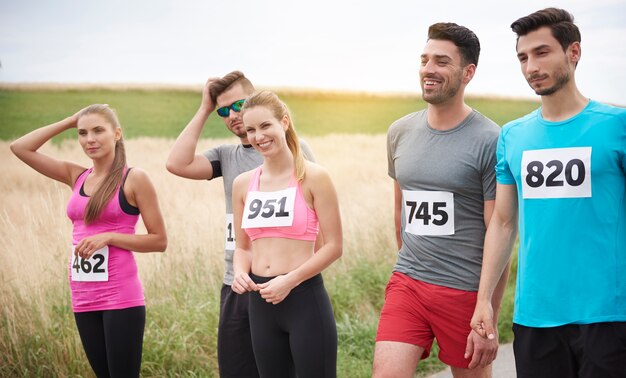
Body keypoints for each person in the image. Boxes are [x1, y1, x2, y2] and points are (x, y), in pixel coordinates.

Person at [470, 7, 626, 378]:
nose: (530, 67)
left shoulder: (617, 126)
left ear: (573, 52)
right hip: (536, 315)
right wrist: (484, 302)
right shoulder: (513, 135)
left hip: (609, 313)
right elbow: (504, 223)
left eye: (542, 53)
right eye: (523, 57)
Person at [372, 23, 511, 378]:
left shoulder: (490, 140)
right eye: (425, 59)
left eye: (441, 61)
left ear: (468, 72)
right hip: (408, 283)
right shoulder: (399, 132)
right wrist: (407, 264)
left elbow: (500, 232)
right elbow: (400, 212)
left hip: (464, 292)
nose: (428, 69)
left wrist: (488, 315)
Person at [166, 71, 316, 377]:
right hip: (236, 283)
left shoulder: (296, 154)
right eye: (223, 111)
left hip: (283, 283)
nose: (232, 115)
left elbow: (315, 222)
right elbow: (176, 164)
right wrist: (204, 108)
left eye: (239, 105)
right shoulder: (226, 156)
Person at [10, 104, 167, 377]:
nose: (89, 139)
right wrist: (70, 120)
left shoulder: (134, 178)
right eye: (82, 133)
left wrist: (109, 236)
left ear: (117, 134)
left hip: (120, 297)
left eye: (98, 131)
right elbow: (20, 148)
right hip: (83, 294)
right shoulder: (77, 176)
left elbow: (159, 240)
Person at [230, 91, 342, 378]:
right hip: (260, 302)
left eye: (265, 126)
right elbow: (243, 248)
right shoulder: (243, 184)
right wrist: (241, 273)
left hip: (303, 299)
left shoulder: (315, 177)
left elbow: (333, 246)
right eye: (251, 129)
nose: (258, 136)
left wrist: (289, 281)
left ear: (284, 122)